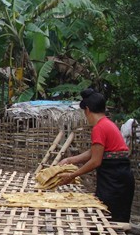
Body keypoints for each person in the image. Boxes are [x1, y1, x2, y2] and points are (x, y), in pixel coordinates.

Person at [58, 88, 135, 222]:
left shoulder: (99, 128)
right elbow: (95, 151)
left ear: (87, 110)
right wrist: (71, 160)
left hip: (114, 180)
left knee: (109, 219)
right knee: (115, 218)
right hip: (119, 176)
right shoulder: (108, 124)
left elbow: (95, 161)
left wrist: (72, 175)